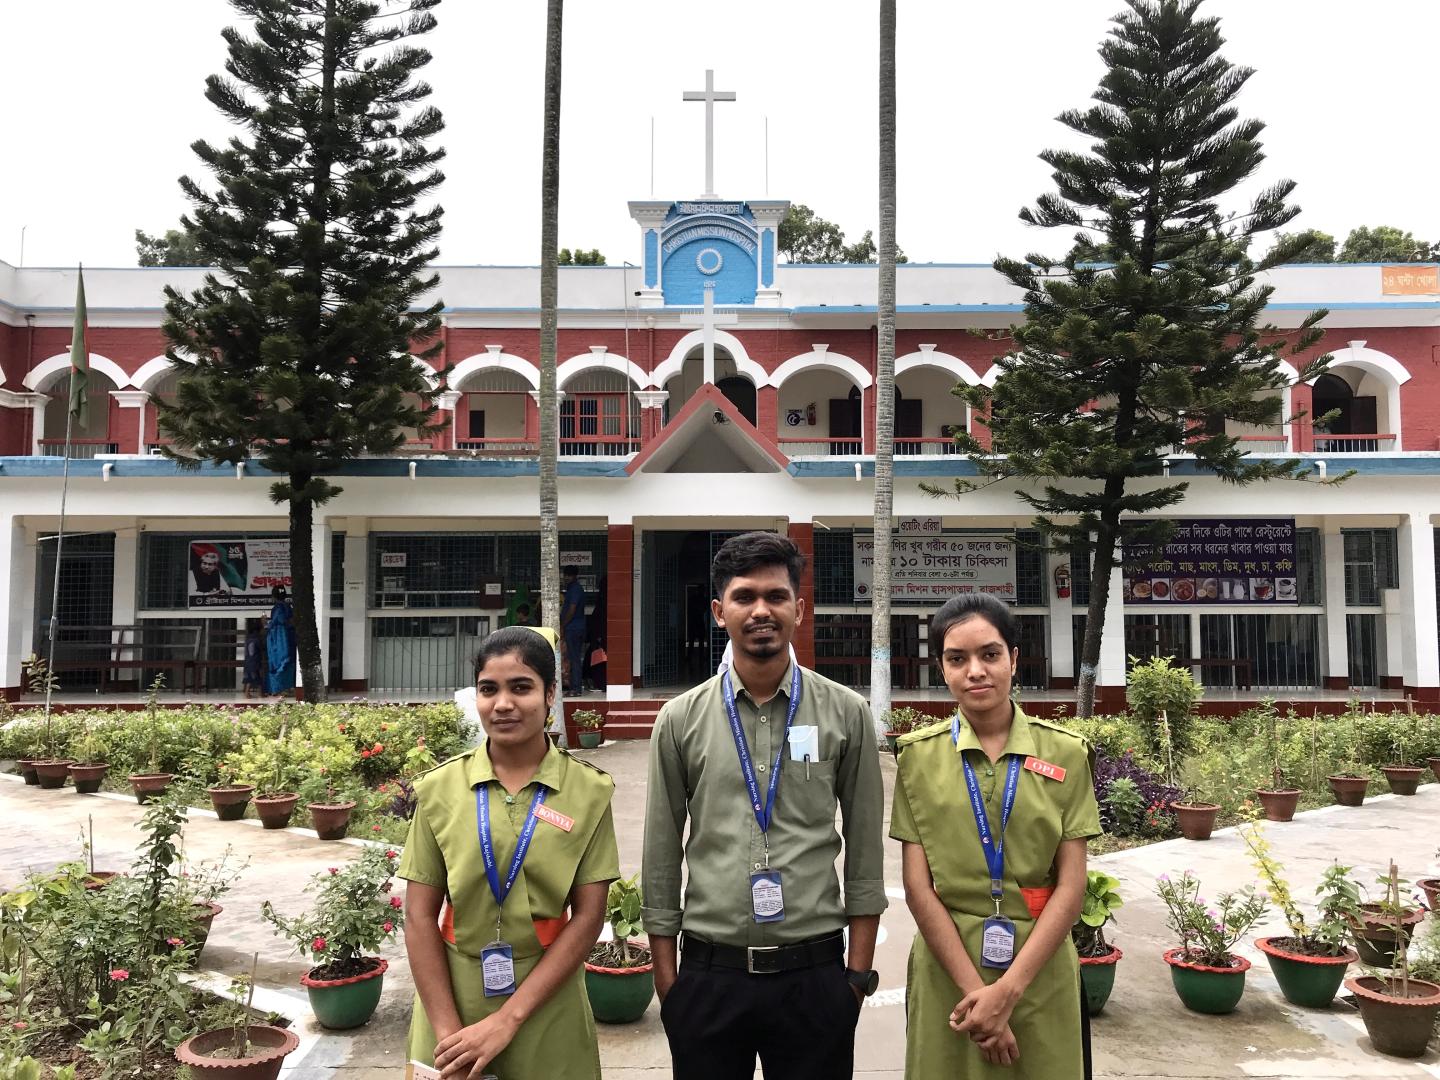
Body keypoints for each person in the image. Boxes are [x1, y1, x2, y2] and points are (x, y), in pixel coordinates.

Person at [642, 531, 887, 1080]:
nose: (761, 610)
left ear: (799, 609)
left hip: (816, 978)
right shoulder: (680, 720)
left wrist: (855, 981)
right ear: (718, 611)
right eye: (744, 597)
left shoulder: (846, 714)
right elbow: (660, 855)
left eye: (776, 596)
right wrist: (670, 988)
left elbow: (866, 851)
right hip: (709, 978)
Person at [890, 593, 1101, 1079]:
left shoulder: (1065, 753)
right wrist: (978, 999)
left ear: (1014, 659)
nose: (975, 671)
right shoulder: (917, 759)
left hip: (1038, 969)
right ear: (941, 668)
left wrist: (1006, 993)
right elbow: (918, 890)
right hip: (948, 969)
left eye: (990, 654)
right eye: (956, 659)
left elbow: (1071, 888)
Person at [401, 625, 620, 1079]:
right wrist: (448, 1036)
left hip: (547, 999)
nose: (503, 704)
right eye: (489, 689)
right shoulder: (440, 788)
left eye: (521, 687)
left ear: (550, 693)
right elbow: (419, 915)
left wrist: (508, 1019)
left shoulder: (588, 791)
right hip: (451, 994)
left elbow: (588, 917)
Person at [559, 566, 587, 695]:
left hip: (573, 628)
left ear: (574, 576)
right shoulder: (572, 589)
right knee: (572, 658)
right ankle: (574, 687)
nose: (566, 578)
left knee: (574, 659)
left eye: (568, 575)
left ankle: (576, 689)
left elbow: (572, 609)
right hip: (574, 627)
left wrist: (563, 625)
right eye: (565, 575)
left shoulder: (575, 589)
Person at [264, 586, 296, 696]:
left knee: (278, 660)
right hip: (289, 637)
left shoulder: (277, 608)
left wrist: (265, 623)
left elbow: (277, 621)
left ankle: (279, 689)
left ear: (273, 596)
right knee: (288, 660)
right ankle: (289, 687)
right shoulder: (289, 607)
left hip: (279, 638)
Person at [242, 618, 263, 698]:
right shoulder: (257, 639)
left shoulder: (248, 639)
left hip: (248, 661)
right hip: (255, 661)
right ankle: (257, 693)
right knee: (256, 677)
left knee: (250, 677)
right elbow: (261, 648)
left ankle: (251, 693)